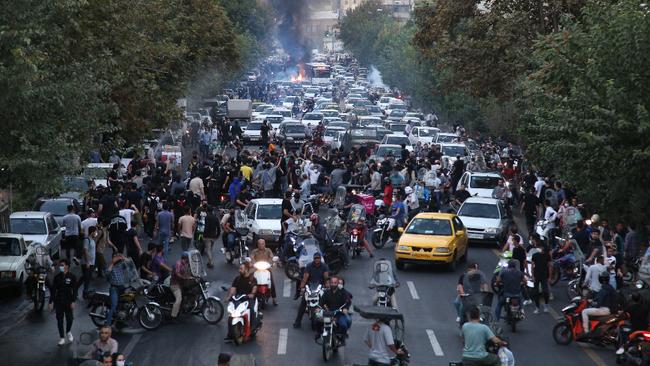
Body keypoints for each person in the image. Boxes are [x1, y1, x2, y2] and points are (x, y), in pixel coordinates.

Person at [294, 253, 330, 327]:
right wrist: (302, 286)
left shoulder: (324, 266)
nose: (317, 260)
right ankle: (297, 322)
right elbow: (305, 277)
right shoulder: (309, 266)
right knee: (303, 304)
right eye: (315, 258)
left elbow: (326, 277)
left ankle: (327, 321)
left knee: (325, 303)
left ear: (320, 259)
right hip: (310, 287)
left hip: (320, 287)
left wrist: (327, 285)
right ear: (313, 259)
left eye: (318, 258)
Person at [49, 259, 77, 345]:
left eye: (62, 265)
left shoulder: (72, 277)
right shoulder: (57, 277)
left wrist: (73, 301)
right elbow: (53, 291)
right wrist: (51, 302)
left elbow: (75, 290)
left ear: (67, 266)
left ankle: (68, 331)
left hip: (68, 301)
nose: (61, 267)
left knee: (70, 319)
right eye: (60, 265)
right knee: (59, 320)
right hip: (59, 302)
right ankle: (62, 337)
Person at [580, 271, 618, 335]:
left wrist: (592, 303)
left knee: (584, 312)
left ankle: (586, 332)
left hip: (604, 309)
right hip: (610, 309)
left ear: (600, 279)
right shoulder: (610, 287)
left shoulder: (604, 289)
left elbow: (599, 302)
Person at [227, 264, 258, 335]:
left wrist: (252, 294)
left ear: (246, 269)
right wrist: (229, 296)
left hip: (248, 298)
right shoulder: (237, 279)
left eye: (241, 269)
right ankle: (230, 333)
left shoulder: (252, 279)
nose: (239, 270)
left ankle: (252, 327)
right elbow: (233, 289)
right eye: (239, 269)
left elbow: (254, 288)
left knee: (251, 309)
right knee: (231, 313)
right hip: (239, 298)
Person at [320, 276, 352, 343]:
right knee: (317, 321)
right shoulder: (326, 292)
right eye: (331, 282)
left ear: (337, 283)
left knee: (343, 325)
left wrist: (345, 308)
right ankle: (319, 335)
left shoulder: (343, 292)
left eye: (335, 283)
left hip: (339, 314)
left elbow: (348, 301)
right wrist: (318, 308)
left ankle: (342, 337)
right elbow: (321, 302)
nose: (333, 284)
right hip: (328, 314)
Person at [250, 239, 277, 305]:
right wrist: (253, 263)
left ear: (265, 244)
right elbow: (252, 258)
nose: (261, 245)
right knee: (251, 280)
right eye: (259, 244)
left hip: (266, 268)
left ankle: (274, 298)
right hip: (257, 268)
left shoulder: (268, 250)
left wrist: (270, 263)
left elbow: (271, 257)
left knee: (271, 281)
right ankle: (250, 295)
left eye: (262, 244)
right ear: (257, 244)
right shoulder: (254, 251)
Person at [106, 254, 128, 326]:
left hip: (122, 288)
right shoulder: (111, 267)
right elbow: (107, 273)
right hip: (114, 288)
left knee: (123, 305)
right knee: (114, 305)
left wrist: (124, 258)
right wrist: (112, 262)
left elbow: (130, 265)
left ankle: (121, 322)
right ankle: (108, 325)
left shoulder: (121, 265)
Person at [171, 252, 193, 320]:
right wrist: (185, 277)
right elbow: (177, 273)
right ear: (185, 258)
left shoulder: (186, 264)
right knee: (179, 299)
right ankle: (173, 316)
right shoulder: (178, 264)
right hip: (175, 284)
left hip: (183, 283)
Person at [531, 244, 552, 314]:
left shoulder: (547, 256)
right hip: (536, 276)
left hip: (544, 276)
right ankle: (537, 307)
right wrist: (533, 276)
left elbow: (549, 267)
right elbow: (532, 266)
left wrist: (549, 277)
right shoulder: (535, 255)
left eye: (540, 247)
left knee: (546, 291)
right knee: (535, 292)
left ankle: (546, 304)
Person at [80, 226, 97, 297]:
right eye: (95, 232)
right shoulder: (87, 240)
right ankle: (85, 292)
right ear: (92, 232)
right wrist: (87, 261)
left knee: (86, 277)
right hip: (87, 263)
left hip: (92, 262)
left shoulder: (92, 240)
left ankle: (83, 290)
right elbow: (85, 250)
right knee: (86, 277)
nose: (96, 233)